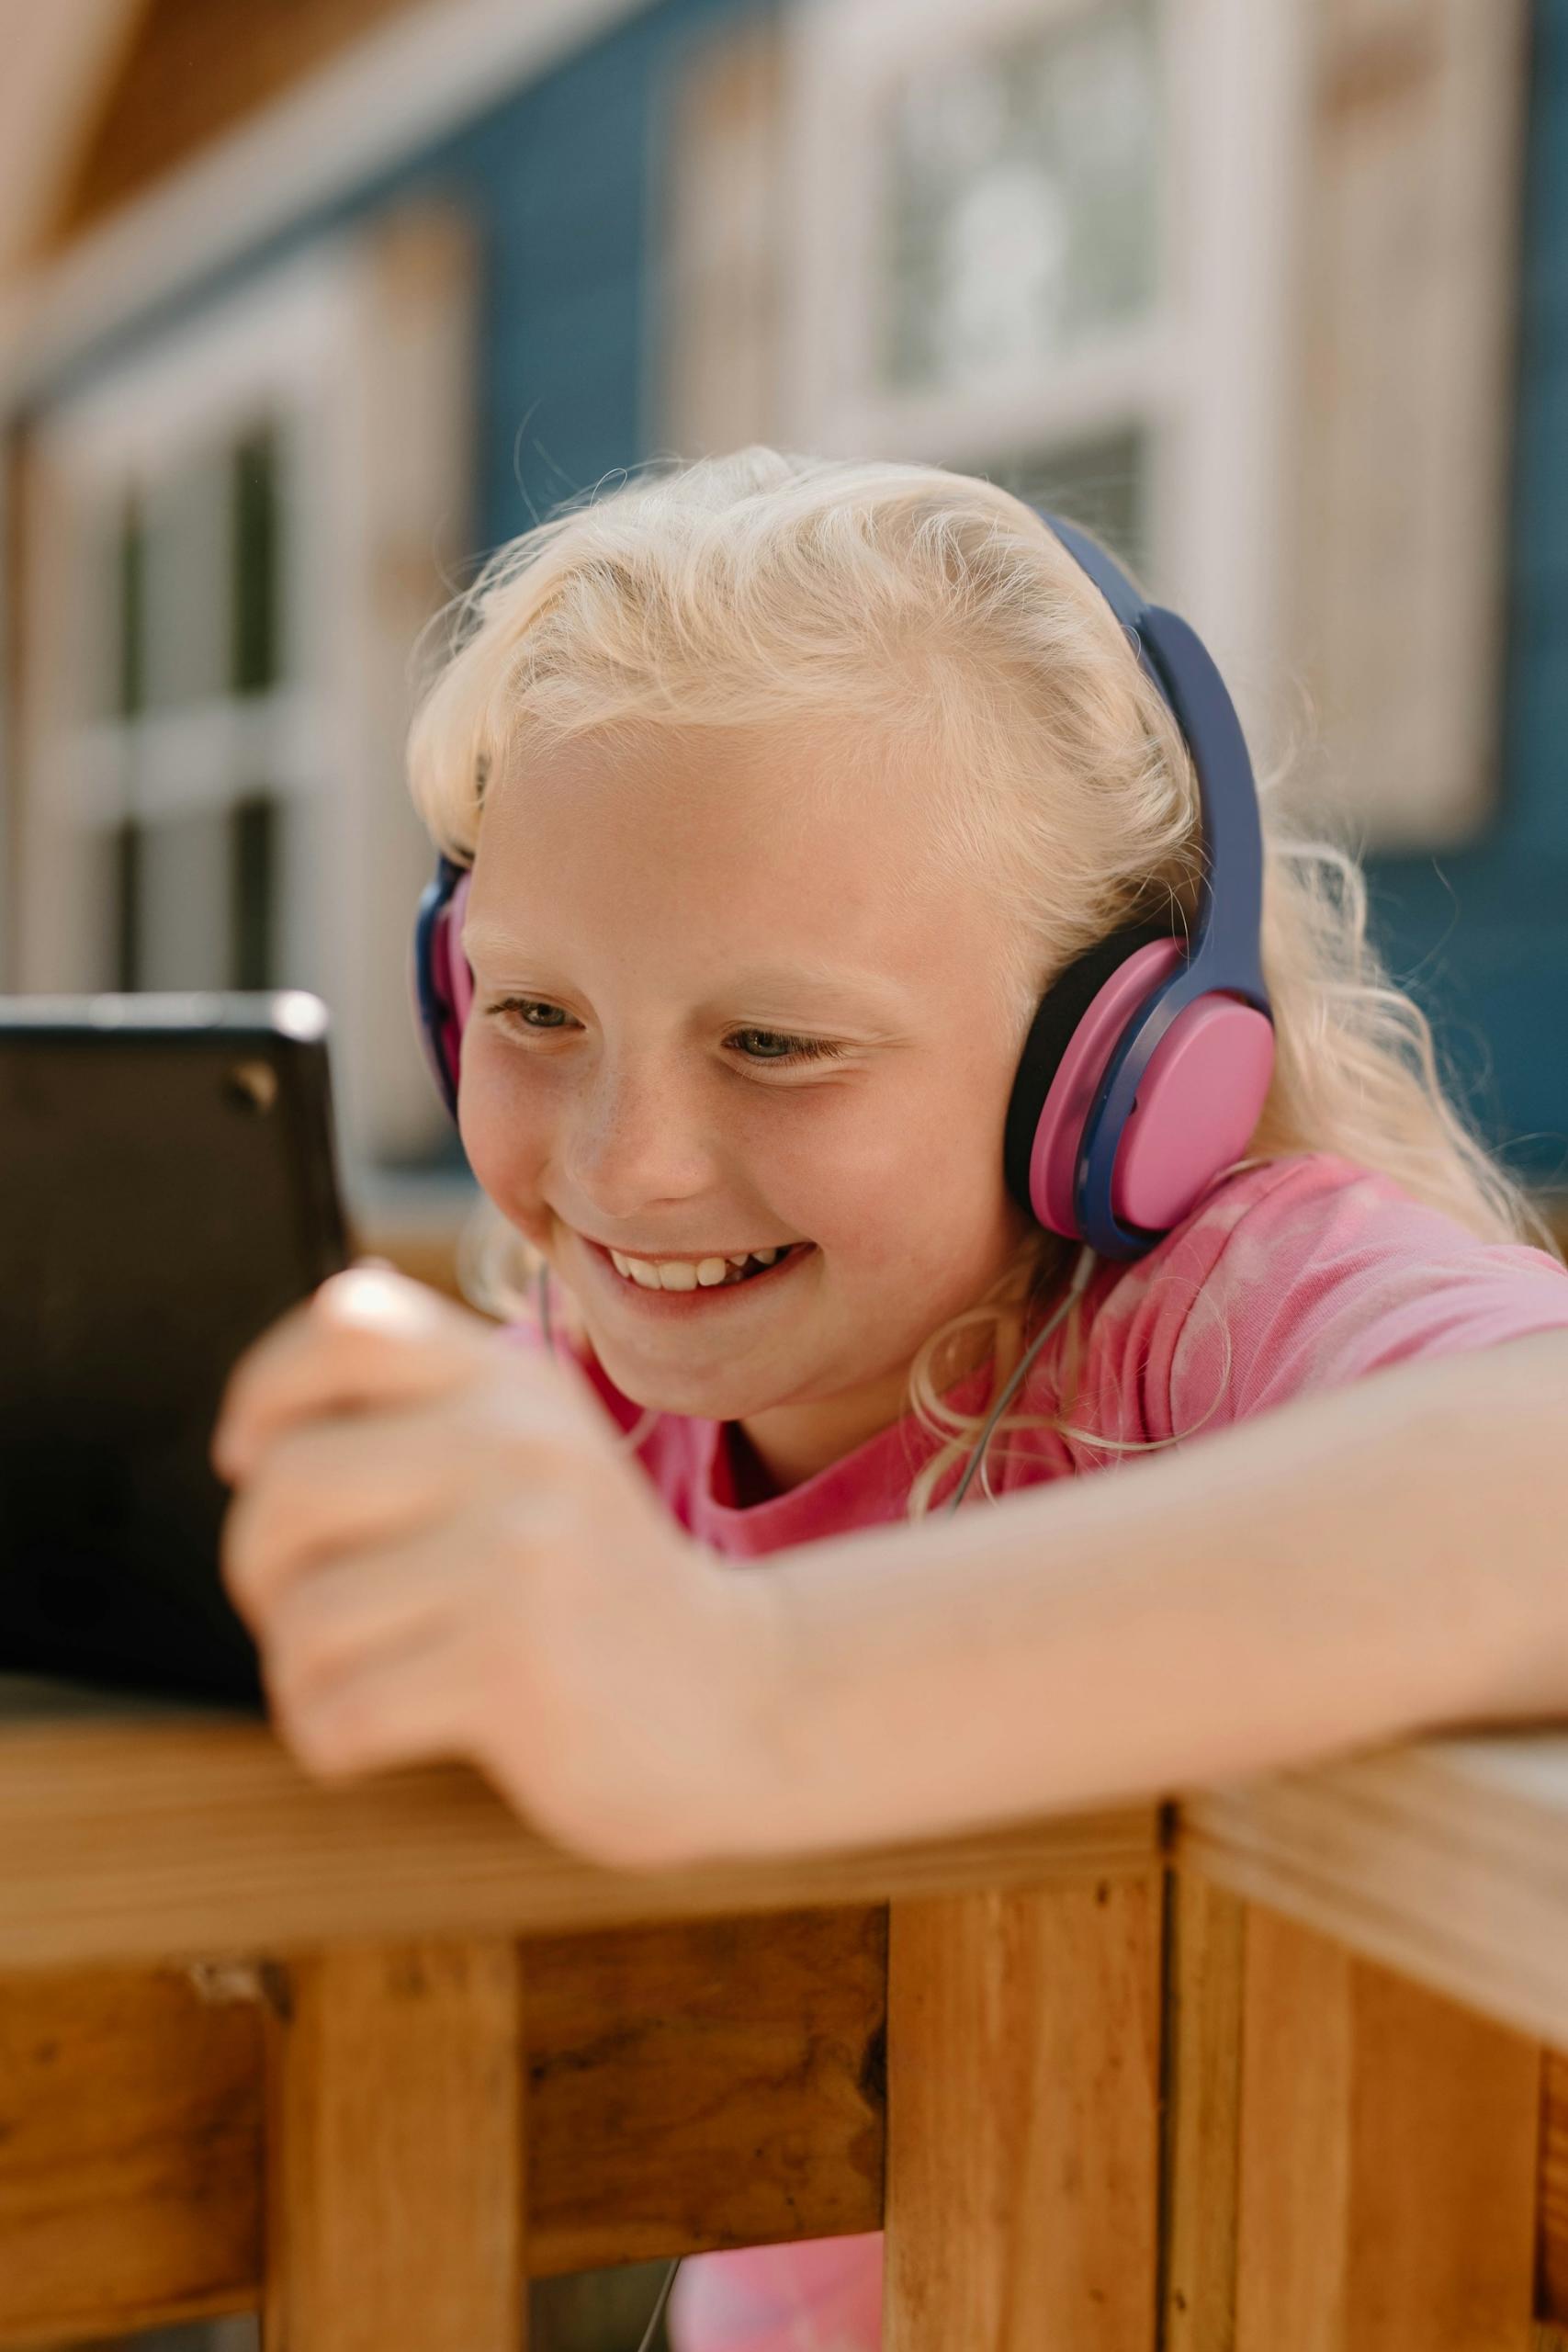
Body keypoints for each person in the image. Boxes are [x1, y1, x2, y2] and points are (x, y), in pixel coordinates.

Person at [209, 451, 1568, 2352]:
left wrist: (736, 1679)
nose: (628, 1166)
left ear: (1122, 1064)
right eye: (532, 1013)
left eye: (774, 1040)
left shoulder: (1215, 1310)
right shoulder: (575, 1391)